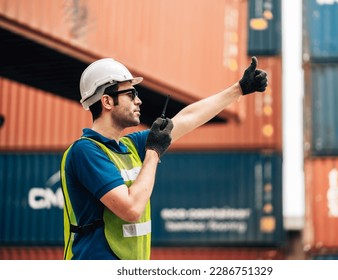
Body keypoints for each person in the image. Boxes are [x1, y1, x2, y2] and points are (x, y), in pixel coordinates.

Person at [60, 57, 267, 260]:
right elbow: (131, 209)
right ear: (106, 101)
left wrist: (238, 89)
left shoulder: (130, 146)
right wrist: (153, 152)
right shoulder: (86, 151)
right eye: (131, 94)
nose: (138, 100)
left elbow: (187, 118)